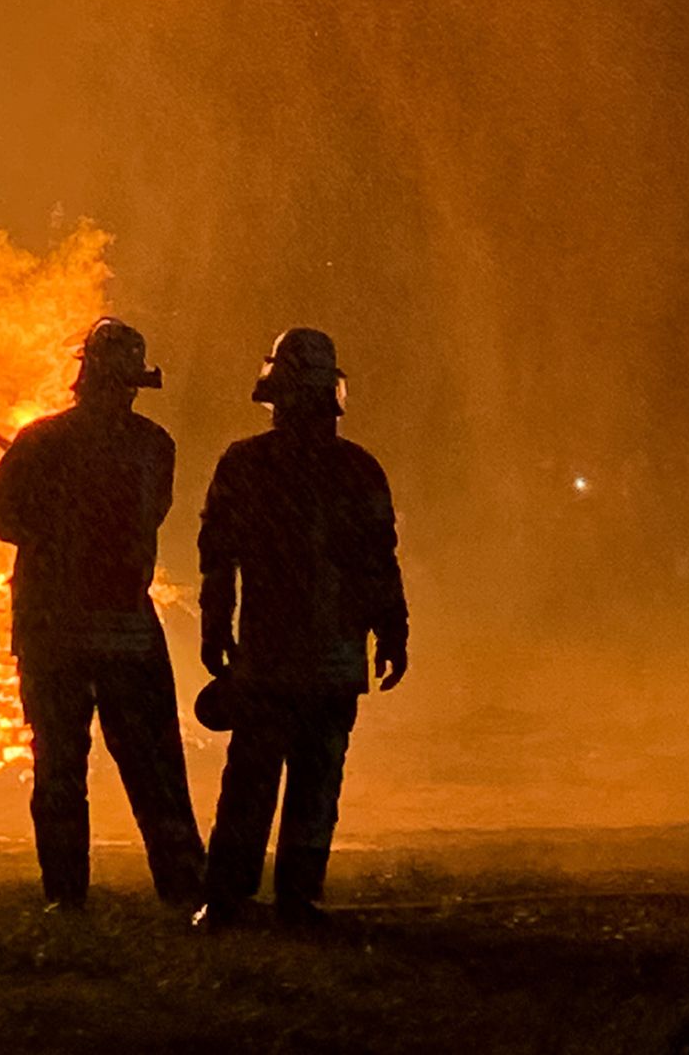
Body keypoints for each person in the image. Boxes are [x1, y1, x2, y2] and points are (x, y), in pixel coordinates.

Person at [0, 317, 206, 910]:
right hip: (127, 630)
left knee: (60, 768)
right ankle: (185, 891)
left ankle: (67, 898)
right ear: (132, 384)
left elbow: (1, 518)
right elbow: (149, 514)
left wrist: (52, 513)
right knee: (154, 767)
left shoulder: (40, 444)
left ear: (82, 376)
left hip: (54, 631)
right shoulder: (154, 446)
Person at [195, 327, 409, 928]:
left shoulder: (247, 464)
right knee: (313, 781)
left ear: (276, 396)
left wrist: (216, 626)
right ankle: (293, 897)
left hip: (276, 655)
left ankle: (231, 898)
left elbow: (218, 555)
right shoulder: (358, 469)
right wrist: (392, 632)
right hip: (326, 655)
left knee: (255, 780)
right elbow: (379, 562)